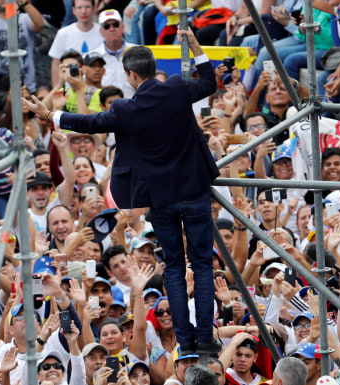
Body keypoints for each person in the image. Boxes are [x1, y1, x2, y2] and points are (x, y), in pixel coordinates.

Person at [24, 29, 220, 355]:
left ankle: (186, 341)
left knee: (173, 266)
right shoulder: (176, 88)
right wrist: (198, 49)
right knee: (200, 266)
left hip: (160, 199)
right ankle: (204, 338)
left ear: (130, 75)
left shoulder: (126, 109)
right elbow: (210, 83)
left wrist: (50, 115)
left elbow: (89, 123)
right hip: (194, 190)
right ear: (151, 67)